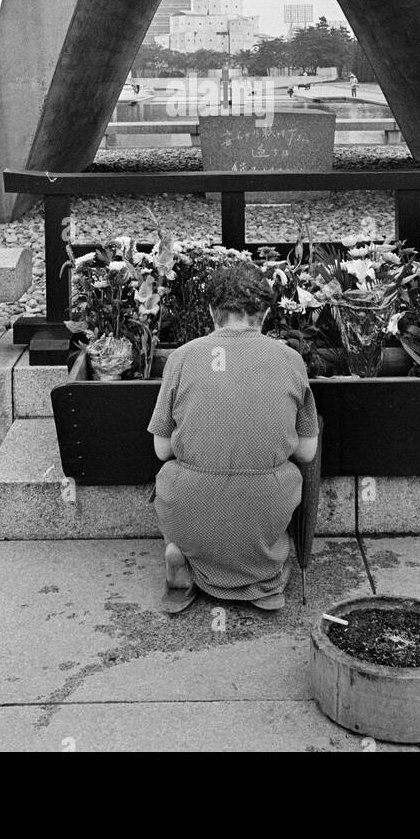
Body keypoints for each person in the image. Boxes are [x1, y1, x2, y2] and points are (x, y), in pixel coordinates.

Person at [148, 261, 319, 614]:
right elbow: (306, 452)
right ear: (267, 312)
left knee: (172, 477)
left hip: (191, 503)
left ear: (212, 311)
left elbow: (161, 448)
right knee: (275, 512)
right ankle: (264, 582)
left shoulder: (182, 358)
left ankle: (182, 558)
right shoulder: (290, 360)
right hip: (264, 504)